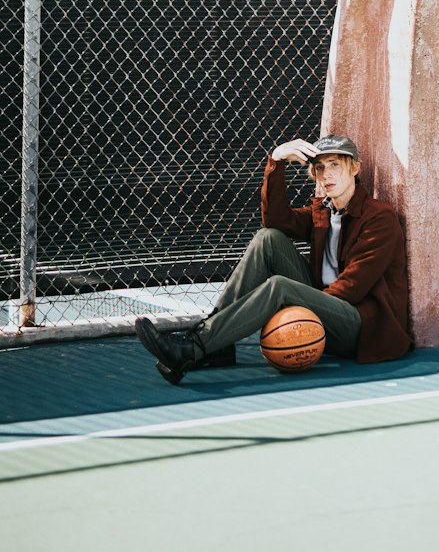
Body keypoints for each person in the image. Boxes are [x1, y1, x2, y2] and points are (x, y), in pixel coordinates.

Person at [135, 134, 412, 385]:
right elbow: (276, 221)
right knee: (267, 238)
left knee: (280, 286)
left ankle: (193, 348)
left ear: (354, 168)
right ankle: (216, 345)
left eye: (335, 165)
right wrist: (276, 160)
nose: (326, 174)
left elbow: (353, 289)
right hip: (327, 303)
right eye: (320, 168)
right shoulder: (325, 211)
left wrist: (303, 303)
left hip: (361, 326)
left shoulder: (378, 219)